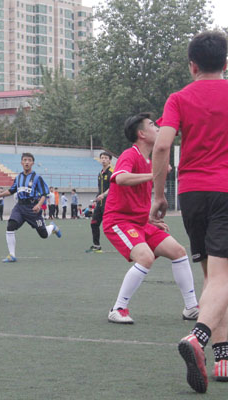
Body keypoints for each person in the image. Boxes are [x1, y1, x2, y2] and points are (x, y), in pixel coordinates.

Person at [151, 31, 228, 393]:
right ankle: (198, 337)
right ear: (226, 63)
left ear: (192, 66)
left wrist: (157, 196)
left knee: (214, 278)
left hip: (192, 193)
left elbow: (162, 145)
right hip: (226, 191)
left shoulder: (179, 98)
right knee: (223, 278)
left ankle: (223, 357)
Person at [104, 113, 198, 327]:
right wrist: (155, 174)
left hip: (140, 223)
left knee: (178, 252)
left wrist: (147, 217)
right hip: (119, 222)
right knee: (145, 257)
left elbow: (139, 197)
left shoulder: (152, 159)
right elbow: (120, 178)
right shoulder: (130, 154)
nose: (157, 128)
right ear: (141, 134)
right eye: (152, 125)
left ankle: (191, 307)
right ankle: (118, 309)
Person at [0, 153, 61, 263]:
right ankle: (12, 255)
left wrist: (39, 205)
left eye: (29, 160)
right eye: (25, 160)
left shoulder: (37, 178)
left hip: (33, 208)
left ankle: (52, 227)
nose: (27, 162)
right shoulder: (18, 177)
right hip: (20, 207)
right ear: (21, 162)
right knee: (10, 226)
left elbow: (45, 193)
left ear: (33, 163)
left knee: (44, 235)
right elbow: (11, 190)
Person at [86, 151, 114, 253]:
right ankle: (96, 246)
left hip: (109, 203)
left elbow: (113, 187)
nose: (103, 160)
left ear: (110, 161)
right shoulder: (100, 173)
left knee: (111, 226)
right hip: (100, 203)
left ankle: (129, 245)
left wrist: (104, 195)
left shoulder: (112, 172)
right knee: (94, 223)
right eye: (102, 158)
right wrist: (96, 199)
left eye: (106, 158)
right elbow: (100, 189)